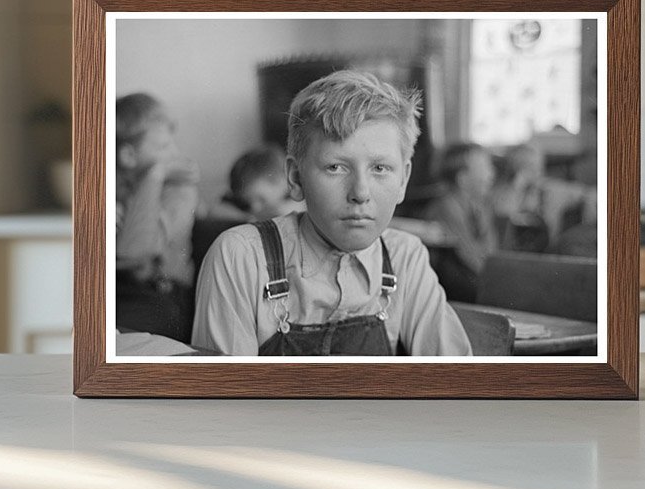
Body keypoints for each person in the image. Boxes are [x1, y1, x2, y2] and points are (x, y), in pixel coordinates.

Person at [191, 70, 472, 356]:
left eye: (380, 169)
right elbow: (224, 398)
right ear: (296, 179)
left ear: (403, 180)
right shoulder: (242, 256)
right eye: (335, 167)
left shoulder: (404, 257)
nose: (360, 193)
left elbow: (456, 382)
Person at [115, 92, 199, 342]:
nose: (175, 153)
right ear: (128, 156)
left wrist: (155, 174)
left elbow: (133, 252)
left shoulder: (180, 191)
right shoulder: (111, 188)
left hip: (161, 296)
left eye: (173, 142)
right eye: (163, 147)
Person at [424, 142, 497, 304]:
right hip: (454, 295)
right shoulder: (446, 207)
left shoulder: (479, 207)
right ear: (462, 179)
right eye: (485, 168)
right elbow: (471, 258)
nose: (492, 175)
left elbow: (489, 252)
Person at [209, 145, 304, 222]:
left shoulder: (297, 203)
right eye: (247, 201)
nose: (255, 207)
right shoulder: (247, 206)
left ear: (281, 181)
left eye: (261, 199)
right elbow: (215, 210)